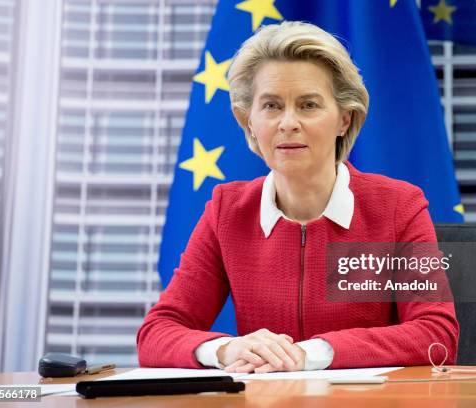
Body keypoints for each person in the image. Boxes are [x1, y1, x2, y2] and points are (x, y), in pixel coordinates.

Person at [137, 21, 459, 373]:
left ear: (344, 120)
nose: (288, 123)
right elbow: (157, 332)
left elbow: (436, 334)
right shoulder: (226, 211)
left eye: (308, 105)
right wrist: (226, 349)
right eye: (272, 106)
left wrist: (312, 354)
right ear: (248, 122)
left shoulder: (399, 206)